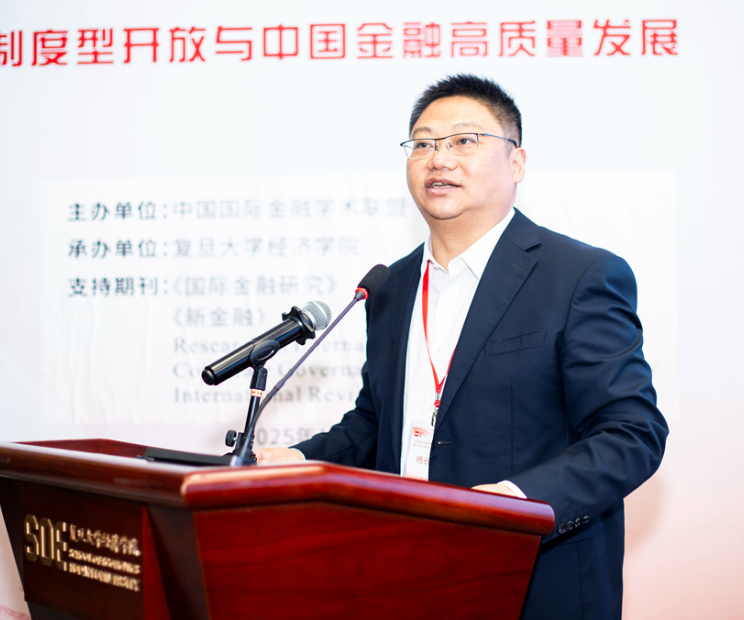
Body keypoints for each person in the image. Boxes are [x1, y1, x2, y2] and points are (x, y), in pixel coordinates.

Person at [258, 75, 668, 619]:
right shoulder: (391, 286)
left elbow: (631, 434)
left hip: (533, 580)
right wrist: (299, 460)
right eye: (423, 144)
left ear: (516, 163)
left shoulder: (577, 276)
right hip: (405, 573)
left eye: (464, 140)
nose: (439, 158)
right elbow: (377, 425)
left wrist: (516, 501)